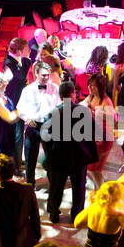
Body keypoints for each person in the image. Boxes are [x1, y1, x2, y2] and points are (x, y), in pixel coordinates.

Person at [40, 80, 96, 225]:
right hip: (79, 157)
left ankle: (53, 213)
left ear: (60, 95)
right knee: (79, 188)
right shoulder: (83, 112)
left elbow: (46, 137)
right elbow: (91, 134)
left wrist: (50, 154)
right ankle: (77, 214)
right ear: (73, 94)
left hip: (59, 157)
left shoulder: (53, 113)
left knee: (56, 187)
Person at [16, 62, 60, 186]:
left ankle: (53, 181)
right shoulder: (27, 90)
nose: (46, 78)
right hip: (33, 126)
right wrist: (27, 118)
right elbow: (20, 107)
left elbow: (60, 106)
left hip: (49, 127)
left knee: (51, 156)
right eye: (43, 75)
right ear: (36, 74)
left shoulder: (55, 88)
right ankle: (30, 182)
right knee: (30, 157)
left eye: (48, 75)